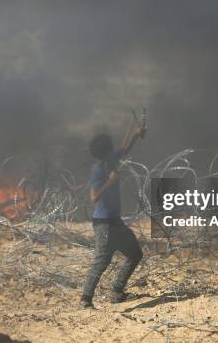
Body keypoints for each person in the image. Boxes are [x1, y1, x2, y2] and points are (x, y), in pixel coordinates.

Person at [80, 122, 146, 308]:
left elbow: (123, 150)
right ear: (105, 152)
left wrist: (135, 134)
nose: (114, 150)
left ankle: (116, 291)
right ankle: (85, 300)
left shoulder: (111, 160)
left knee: (135, 254)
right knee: (102, 260)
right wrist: (110, 182)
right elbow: (93, 197)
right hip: (104, 223)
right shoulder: (98, 169)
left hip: (115, 221)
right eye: (110, 148)